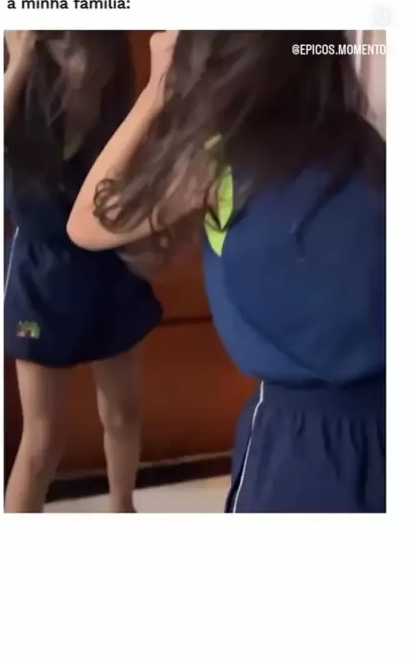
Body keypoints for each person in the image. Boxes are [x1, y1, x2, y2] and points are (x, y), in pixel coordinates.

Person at [67, 30, 386, 514]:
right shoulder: (369, 150)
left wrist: (155, 92)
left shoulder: (220, 165)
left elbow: (87, 222)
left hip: (299, 447)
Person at [4, 30, 162, 513]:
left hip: (112, 270)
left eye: (93, 49)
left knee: (123, 414)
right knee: (42, 440)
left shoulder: (120, 112)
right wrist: (18, 62)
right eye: (66, 49)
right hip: (41, 277)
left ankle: (122, 509)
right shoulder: (17, 99)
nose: (83, 65)